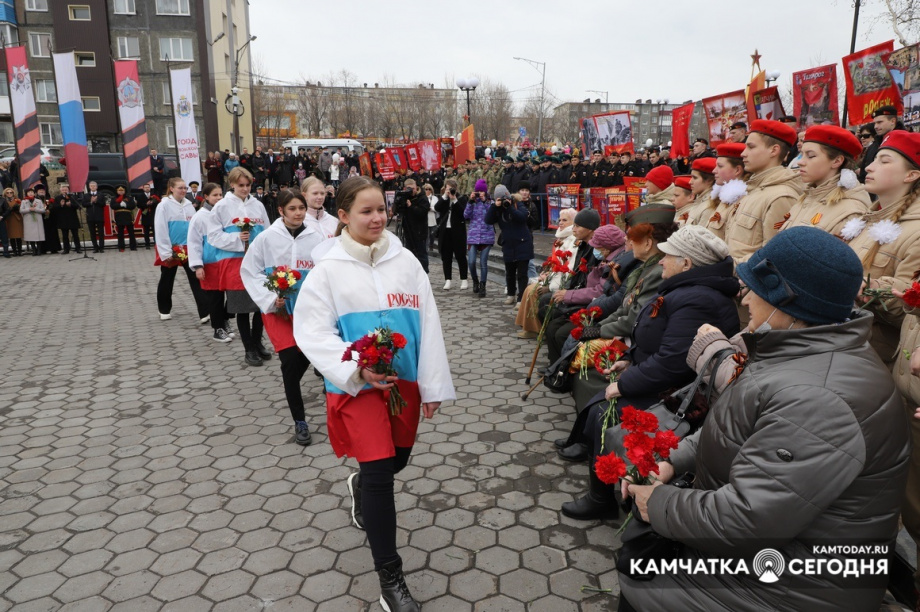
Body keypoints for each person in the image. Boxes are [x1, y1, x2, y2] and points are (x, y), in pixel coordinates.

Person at [619, 227, 909, 612]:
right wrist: (674, 459)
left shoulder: (817, 399)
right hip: (776, 557)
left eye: (753, 287)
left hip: (796, 585)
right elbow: (735, 430)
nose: (744, 296)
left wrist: (658, 504)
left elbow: (750, 520)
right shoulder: (799, 353)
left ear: (786, 299)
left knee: (642, 587)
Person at [293, 176, 455, 612]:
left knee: (396, 461)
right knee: (383, 475)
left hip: (402, 384)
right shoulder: (327, 269)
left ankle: (360, 484)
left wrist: (434, 384)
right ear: (342, 216)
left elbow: (429, 326)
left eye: (381, 209)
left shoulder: (407, 263)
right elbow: (310, 330)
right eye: (365, 211)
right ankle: (391, 579)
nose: (377, 218)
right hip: (356, 386)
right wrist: (354, 369)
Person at [562, 225, 739, 520]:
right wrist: (629, 361)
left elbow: (674, 361)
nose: (660, 260)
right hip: (663, 380)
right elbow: (654, 336)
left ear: (687, 263)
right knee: (599, 408)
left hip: (681, 394)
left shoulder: (697, 298)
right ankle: (604, 490)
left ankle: (605, 497)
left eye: (667, 255)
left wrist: (625, 384)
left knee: (605, 412)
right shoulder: (686, 291)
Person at [242, 190, 324, 446]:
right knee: (289, 365)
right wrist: (269, 298)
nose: (298, 213)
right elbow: (249, 271)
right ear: (280, 211)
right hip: (279, 313)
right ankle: (300, 421)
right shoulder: (266, 239)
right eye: (292, 208)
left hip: (310, 313)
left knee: (312, 358)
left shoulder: (316, 237)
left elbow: (327, 271)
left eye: (301, 207)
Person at [848, 131, 920, 365]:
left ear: (911, 175)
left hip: (877, 359)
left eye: (884, 161)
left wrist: (862, 287)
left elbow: (907, 311)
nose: (869, 167)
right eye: (874, 158)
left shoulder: (916, 231)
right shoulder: (863, 220)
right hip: (849, 348)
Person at [205, 167, 271, 367]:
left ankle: (257, 341)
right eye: (240, 185)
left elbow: (267, 232)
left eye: (248, 185)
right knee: (242, 308)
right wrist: (236, 239)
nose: (244, 189)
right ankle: (248, 348)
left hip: (257, 262)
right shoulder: (222, 206)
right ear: (231, 184)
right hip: (234, 263)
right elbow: (213, 236)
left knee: (261, 306)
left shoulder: (257, 205)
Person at [725, 119, 804, 265]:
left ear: (773, 150)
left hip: (747, 285)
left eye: (751, 147)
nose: (743, 153)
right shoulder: (755, 189)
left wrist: (726, 271)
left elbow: (772, 259)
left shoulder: (781, 196)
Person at [781, 125, 871, 235]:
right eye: (801, 154)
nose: (800, 162)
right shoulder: (806, 198)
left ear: (837, 161)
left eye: (811, 156)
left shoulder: (850, 213)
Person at [514, 208, 577, 338]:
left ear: (573, 223)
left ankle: (535, 329)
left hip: (560, 282)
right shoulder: (562, 237)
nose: (560, 223)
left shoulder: (572, 240)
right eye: (559, 220)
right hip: (555, 276)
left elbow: (566, 269)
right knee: (529, 289)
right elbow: (555, 263)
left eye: (565, 220)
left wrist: (549, 286)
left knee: (533, 291)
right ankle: (529, 327)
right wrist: (547, 274)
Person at [154, 176, 209, 322]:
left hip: (188, 248)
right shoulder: (163, 205)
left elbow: (195, 226)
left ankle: (204, 312)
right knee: (167, 278)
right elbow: (160, 229)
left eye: (185, 188)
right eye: (180, 188)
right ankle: (164, 309)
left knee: (195, 278)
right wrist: (166, 252)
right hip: (172, 249)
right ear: (171, 189)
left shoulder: (189, 205)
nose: (184, 190)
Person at [188, 183, 234, 343]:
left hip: (226, 261)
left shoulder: (224, 213)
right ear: (206, 197)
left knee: (233, 294)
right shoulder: (199, 217)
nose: (219, 198)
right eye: (215, 195)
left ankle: (225, 319)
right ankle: (218, 328)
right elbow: (193, 242)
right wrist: (198, 265)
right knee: (215, 297)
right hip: (210, 263)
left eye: (221, 195)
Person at [486, 184, 534, 306]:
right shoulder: (497, 208)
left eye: (504, 198)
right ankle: (511, 294)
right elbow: (488, 220)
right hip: (508, 244)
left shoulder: (518, 203)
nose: (503, 201)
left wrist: (510, 207)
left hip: (523, 242)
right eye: (499, 199)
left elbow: (522, 217)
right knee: (510, 272)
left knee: (522, 274)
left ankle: (521, 298)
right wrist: (494, 207)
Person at [698, 143, 747, 241]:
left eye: (720, 166)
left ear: (737, 170)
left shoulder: (742, 200)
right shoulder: (723, 198)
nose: (714, 171)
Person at [435, 179, 468, 291]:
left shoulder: (462, 198)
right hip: (445, 231)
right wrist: (445, 195)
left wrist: (454, 200)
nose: (450, 190)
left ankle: (464, 279)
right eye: (448, 188)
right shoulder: (444, 198)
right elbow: (437, 208)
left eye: (451, 188)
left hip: (458, 231)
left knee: (460, 255)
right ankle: (447, 280)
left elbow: (463, 213)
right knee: (446, 257)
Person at [859, 105, 906, 183]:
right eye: (875, 123)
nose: (875, 127)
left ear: (893, 121)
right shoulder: (874, 144)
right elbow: (864, 172)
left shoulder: (905, 142)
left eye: (879, 122)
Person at [393, 178, 430, 273]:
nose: (411, 191)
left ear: (416, 187)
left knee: (421, 254)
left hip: (419, 231)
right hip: (408, 229)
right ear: (405, 188)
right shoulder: (405, 197)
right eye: (409, 189)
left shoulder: (422, 197)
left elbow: (422, 213)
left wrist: (411, 207)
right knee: (409, 254)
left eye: (413, 188)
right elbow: (395, 211)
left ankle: (424, 273)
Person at [682, 158, 716, 227]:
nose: (690, 182)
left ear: (709, 180)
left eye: (695, 178)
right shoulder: (700, 201)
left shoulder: (709, 207)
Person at [52, 183, 82, 254]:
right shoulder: (57, 198)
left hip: (72, 218)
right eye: (63, 189)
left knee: (75, 235)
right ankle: (66, 249)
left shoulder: (72, 197)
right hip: (63, 219)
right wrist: (61, 205)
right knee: (65, 236)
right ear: (60, 190)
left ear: (68, 190)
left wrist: (71, 204)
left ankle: (78, 248)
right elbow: (54, 208)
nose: (64, 190)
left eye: (66, 189)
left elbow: (78, 206)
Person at [111, 185, 138, 252]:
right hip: (119, 216)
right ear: (117, 191)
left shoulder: (129, 198)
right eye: (119, 191)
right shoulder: (114, 198)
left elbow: (133, 206)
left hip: (128, 216)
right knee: (120, 233)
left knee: (131, 232)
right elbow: (112, 206)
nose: (121, 192)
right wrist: (119, 205)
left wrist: (126, 205)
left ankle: (133, 246)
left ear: (124, 191)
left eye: (122, 190)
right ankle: (121, 247)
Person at [20, 186, 45, 256]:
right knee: (31, 236)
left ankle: (39, 250)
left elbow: (43, 210)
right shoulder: (24, 201)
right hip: (28, 221)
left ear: (34, 193)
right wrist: (29, 209)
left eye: (32, 192)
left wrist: (35, 209)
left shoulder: (39, 201)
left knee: (38, 235)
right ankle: (34, 250)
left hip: (37, 220)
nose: (30, 194)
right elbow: (21, 210)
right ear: (26, 194)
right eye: (29, 192)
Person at [36, 184, 59, 254]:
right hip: (41, 219)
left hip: (50, 219)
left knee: (52, 233)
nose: (41, 191)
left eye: (43, 190)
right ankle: (43, 249)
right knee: (43, 233)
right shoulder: (36, 199)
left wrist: (49, 210)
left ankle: (54, 248)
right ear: (37, 192)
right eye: (40, 190)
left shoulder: (49, 198)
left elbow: (54, 206)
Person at [86, 181, 107, 253]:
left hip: (99, 217)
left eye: (94, 186)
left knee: (101, 232)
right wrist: (91, 202)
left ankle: (101, 247)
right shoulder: (86, 195)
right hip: (90, 217)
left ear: (96, 187)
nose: (93, 187)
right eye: (91, 186)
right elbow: (83, 204)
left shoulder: (101, 195)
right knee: (92, 233)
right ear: (89, 187)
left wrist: (96, 201)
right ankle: (95, 247)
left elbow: (103, 204)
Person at [137, 184, 159, 250]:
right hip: (145, 215)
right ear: (143, 189)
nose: (147, 188)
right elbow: (138, 205)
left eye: (148, 187)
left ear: (150, 188)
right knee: (146, 231)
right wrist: (146, 204)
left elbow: (158, 203)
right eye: (145, 187)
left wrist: (152, 203)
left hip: (153, 215)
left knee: (155, 231)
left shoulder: (154, 195)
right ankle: (147, 244)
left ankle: (156, 244)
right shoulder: (140, 196)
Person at [3, 187, 22, 256]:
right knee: (12, 236)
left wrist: (17, 209)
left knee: (18, 235)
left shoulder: (17, 200)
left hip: (17, 218)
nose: (9, 194)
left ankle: (19, 251)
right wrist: (10, 210)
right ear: (5, 193)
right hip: (9, 219)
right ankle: (14, 251)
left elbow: (21, 208)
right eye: (7, 193)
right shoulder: (4, 201)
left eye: (11, 192)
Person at [423, 183, 438, 253]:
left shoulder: (435, 198)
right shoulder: (423, 198)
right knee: (426, 235)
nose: (428, 191)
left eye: (429, 189)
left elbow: (437, 208)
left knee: (432, 235)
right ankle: (426, 248)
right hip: (425, 219)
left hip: (432, 219)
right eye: (426, 189)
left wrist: (431, 209)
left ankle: (431, 245)